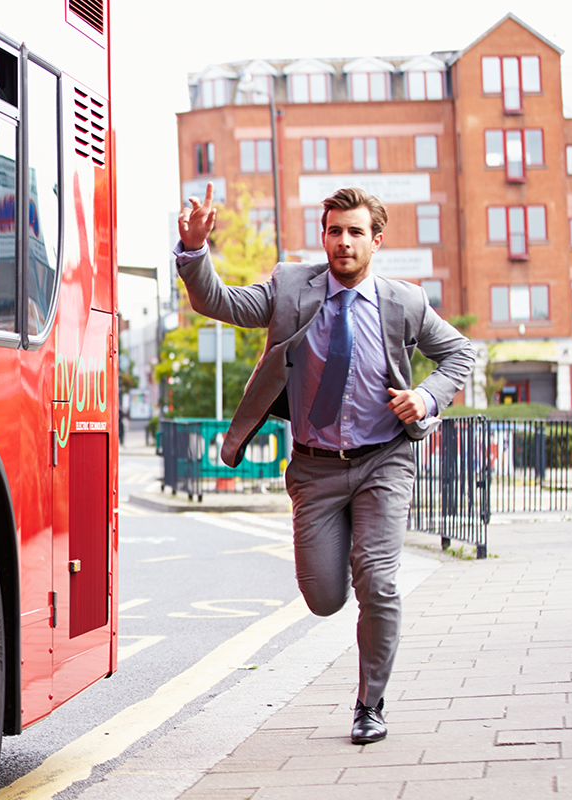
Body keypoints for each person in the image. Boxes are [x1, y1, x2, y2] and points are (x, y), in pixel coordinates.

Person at [175, 184, 475, 744]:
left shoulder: (404, 303)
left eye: (356, 232)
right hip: (315, 469)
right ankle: (346, 622)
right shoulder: (291, 287)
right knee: (325, 598)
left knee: (379, 582)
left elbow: (459, 353)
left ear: (376, 240)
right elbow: (222, 303)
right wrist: (195, 253)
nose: (344, 242)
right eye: (334, 230)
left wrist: (428, 397)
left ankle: (370, 704)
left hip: (385, 460)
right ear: (324, 236)